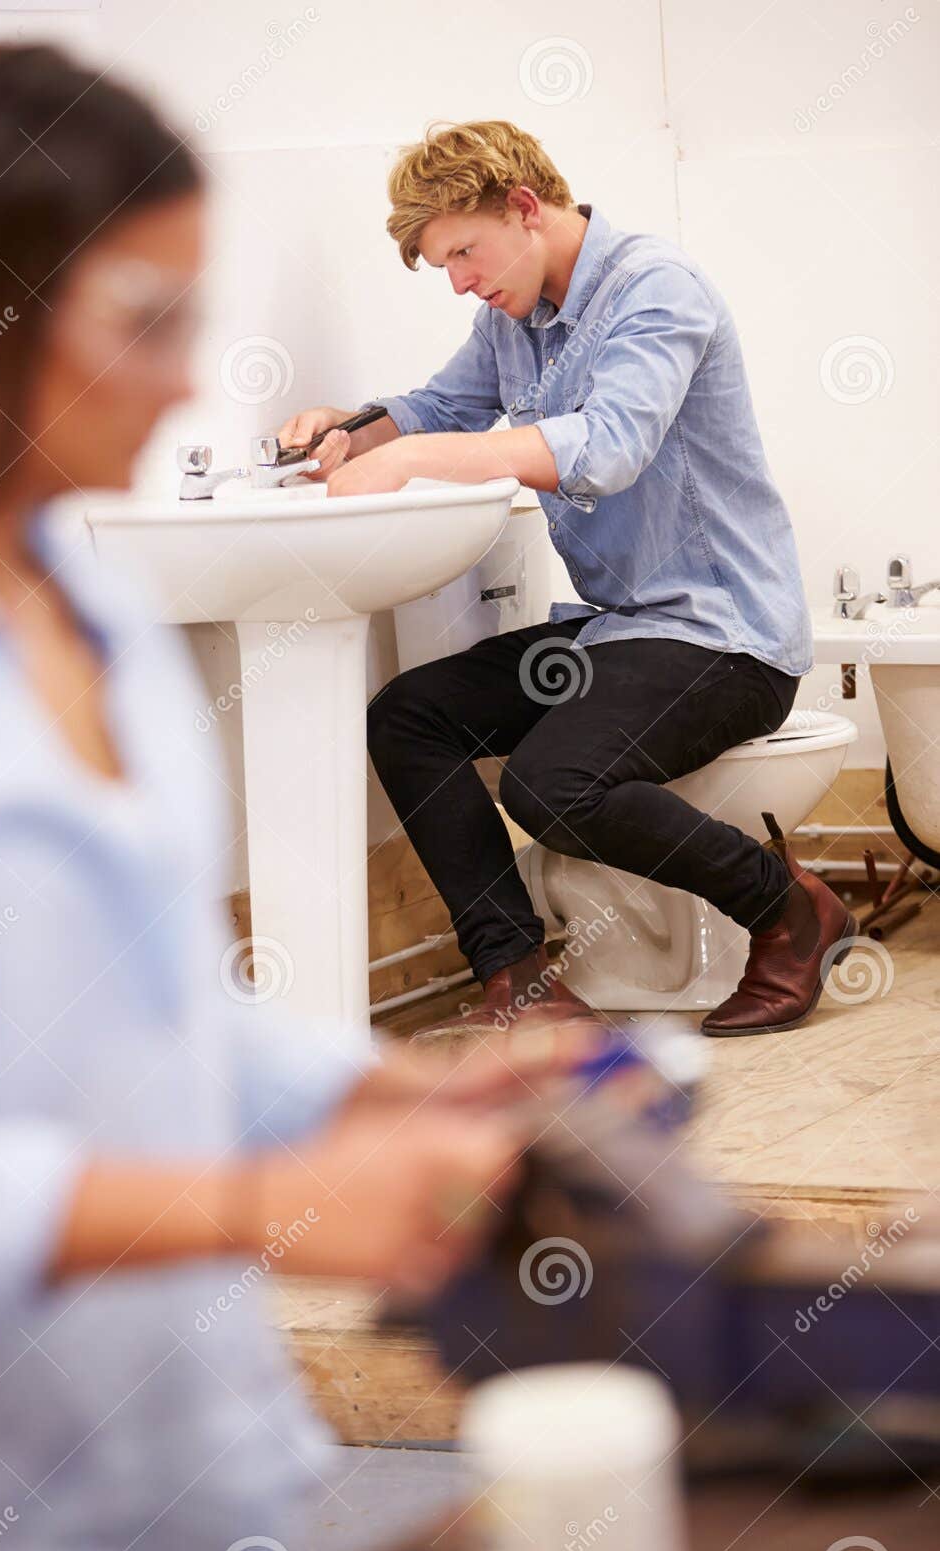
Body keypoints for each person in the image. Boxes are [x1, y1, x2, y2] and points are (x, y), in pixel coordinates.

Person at [0, 50, 591, 1551]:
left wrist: (393, 1092)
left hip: (199, 1465)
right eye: (142, 320)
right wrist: (260, 1208)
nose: (181, 375)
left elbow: (166, 1013)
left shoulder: (103, 623)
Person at [279, 121, 855, 1039]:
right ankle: (521, 983)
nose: (461, 279)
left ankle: (789, 910)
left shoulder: (657, 291)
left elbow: (611, 446)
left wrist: (418, 456)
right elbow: (438, 405)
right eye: (445, 266)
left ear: (523, 208)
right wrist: (355, 429)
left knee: (548, 787)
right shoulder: (511, 320)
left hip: (725, 636)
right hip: (622, 628)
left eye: (464, 251)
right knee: (407, 716)